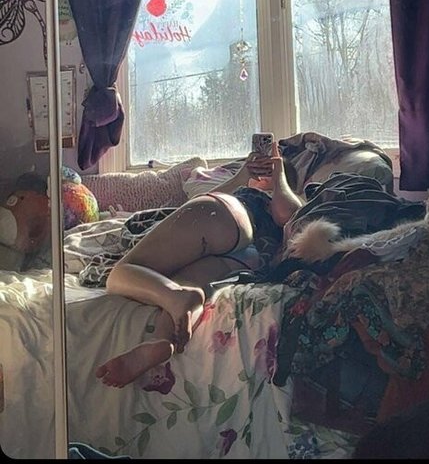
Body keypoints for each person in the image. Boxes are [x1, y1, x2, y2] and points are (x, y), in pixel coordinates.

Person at [96, 144, 303, 388]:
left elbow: (287, 214)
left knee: (122, 272)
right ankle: (162, 340)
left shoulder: (267, 195)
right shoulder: (275, 201)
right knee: (186, 284)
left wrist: (276, 175)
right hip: (246, 256)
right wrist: (243, 175)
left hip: (225, 215)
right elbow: (288, 216)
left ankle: (175, 297)